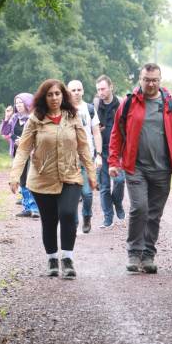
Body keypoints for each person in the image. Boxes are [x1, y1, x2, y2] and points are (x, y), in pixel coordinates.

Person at [9, 79, 97, 279]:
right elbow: (23, 149)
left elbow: (83, 147)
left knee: (67, 214)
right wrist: (14, 176)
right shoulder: (35, 119)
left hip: (70, 175)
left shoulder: (73, 117)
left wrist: (91, 173)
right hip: (42, 178)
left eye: (57, 94)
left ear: (63, 95)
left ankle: (67, 258)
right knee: (49, 221)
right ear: (44, 98)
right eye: (50, 95)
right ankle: (52, 258)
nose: (54, 98)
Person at [108, 63, 172, 274]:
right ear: (140, 79)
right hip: (135, 167)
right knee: (140, 208)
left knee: (154, 214)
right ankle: (134, 252)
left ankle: (148, 254)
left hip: (162, 168)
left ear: (160, 80)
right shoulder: (128, 103)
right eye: (147, 80)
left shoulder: (170, 104)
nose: (151, 84)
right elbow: (116, 133)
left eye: (154, 80)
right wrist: (113, 162)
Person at [67, 79, 103, 233]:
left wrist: (99, 155)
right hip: (68, 159)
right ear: (68, 92)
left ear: (83, 91)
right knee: (72, 194)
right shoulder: (63, 110)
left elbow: (96, 132)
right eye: (73, 90)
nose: (76, 93)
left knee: (87, 193)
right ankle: (74, 222)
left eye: (78, 90)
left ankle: (87, 216)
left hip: (87, 157)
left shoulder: (89, 109)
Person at [0, 93, 40, 218]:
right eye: (16, 103)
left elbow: (39, 134)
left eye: (20, 102)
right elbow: (4, 132)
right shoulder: (14, 118)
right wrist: (6, 117)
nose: (18, 105)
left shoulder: (34, 118)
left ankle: (35, 208)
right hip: (18, 153)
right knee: (22, 180)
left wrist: (25, 141)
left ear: (27, 103)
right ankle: (27, 207)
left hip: (33, 153)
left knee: (31, 179)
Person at [95, 75, 126, 228]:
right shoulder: (95, 105)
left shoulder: (120, 103)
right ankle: (108, 217)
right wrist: (96, 130)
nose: (101, 92)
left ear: (111, 87)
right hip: (101, 150)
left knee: (119, 181)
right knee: (104, 186)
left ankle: (118, 203)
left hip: (118, 151)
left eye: (103, 88)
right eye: (98, 89)